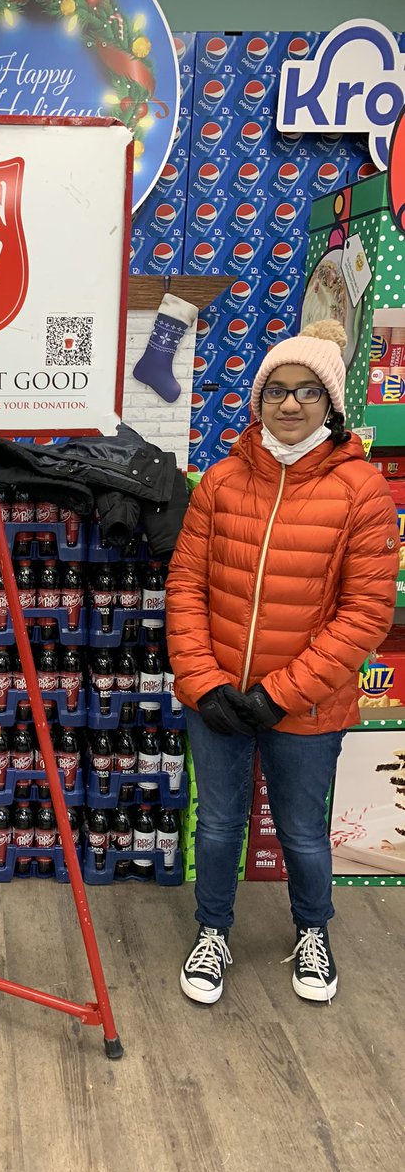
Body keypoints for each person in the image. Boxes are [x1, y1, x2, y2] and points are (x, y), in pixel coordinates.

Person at [167, 319, 398, 1007]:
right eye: (276, 390)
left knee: (300, 829)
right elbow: (186, 586)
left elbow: (364, 614)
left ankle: (313, 931)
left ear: (330, 405)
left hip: (309, 706)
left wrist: (279, 695)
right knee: (216, 825)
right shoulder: (222, 480)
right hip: (216, 701)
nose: (290, 404)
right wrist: (204, 683)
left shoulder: (361, 492)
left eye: (306, 392)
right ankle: (212, 930)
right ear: (258, 400)